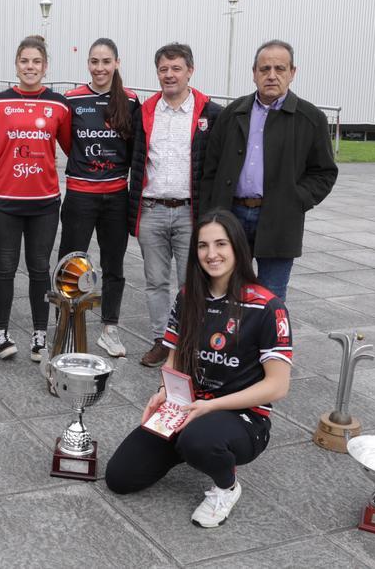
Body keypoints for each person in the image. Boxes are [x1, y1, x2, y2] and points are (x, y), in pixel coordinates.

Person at [104, 210, 292, 528]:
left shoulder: (267, 306)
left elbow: (277, 386)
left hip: (244, 418)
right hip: (190, 407)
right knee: (120, 477)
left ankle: (226, 486)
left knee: (199, 439)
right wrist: (165, 393)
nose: (211, 254)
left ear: (237, 247)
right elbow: (174, 358)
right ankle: (188, 444)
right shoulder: (189, 296)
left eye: (221, 244)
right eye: (203, 246)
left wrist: (212, 406)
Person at [200, 39, 338, 301]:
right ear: (254, 74)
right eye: (264, 69)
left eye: (279, 69)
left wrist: (296, 199)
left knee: (271, 296)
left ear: (292, 73)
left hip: (279, 219)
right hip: (232, 216)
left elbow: (324, 172)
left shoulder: (310, 118)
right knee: (224, 290)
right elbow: (210, 169)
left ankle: (267, 343)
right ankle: (228, 342)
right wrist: (211, 214)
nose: (272, 76)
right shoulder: (232, 114)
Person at [129, 43, 223, 367]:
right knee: (155, 281)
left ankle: (187, 344)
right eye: (163, 69)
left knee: (191, 284)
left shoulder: (210, 113)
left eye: (176, 68)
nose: (169, 75)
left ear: (190, 71)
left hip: (189, 213)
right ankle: (161, 341)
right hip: (152, 209)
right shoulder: (146, 110)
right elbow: (136, 159)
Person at [0, 35, 71, 361]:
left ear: (45, 67)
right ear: (16, 65)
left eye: (36, 61)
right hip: (3, 199)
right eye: (24, 61)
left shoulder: (59, 105)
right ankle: (2, 334)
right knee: (4, 267)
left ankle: (38, 336)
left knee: (39, 268)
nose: (30, 67)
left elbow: (71, 147)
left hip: (44, 201)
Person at [59, 38, 139, 358]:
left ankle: (110, 328)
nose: (100, 68)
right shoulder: (72, 100)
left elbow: (132, 148)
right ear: (87, 64)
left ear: (117, 63)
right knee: (71, 264)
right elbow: (68, 143)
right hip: (80, 195)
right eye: (94, 61)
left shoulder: (131, 101)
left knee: (113, 265)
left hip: (116, 196)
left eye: (106, 61)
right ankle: (66, 325)